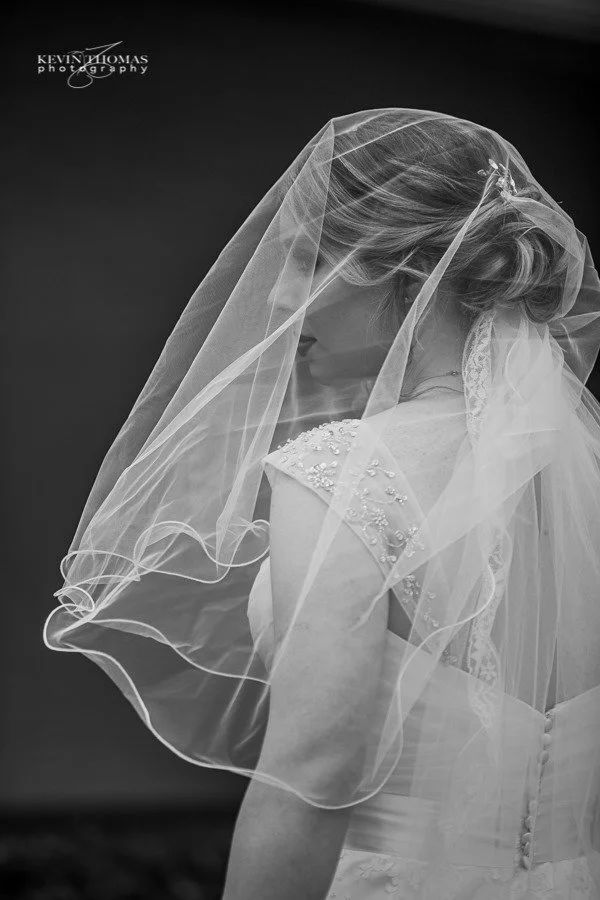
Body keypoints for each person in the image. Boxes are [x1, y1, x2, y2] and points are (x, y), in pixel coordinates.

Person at [43, 109, 600, 899]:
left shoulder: (345, 473)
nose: (277, 303)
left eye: (307, 261)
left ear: (405, 267)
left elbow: (309, 781)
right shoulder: (586, 480)